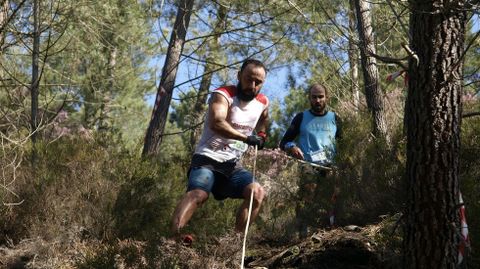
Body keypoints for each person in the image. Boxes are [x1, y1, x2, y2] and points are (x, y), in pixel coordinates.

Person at [171, 59, 269, 241]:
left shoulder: (262, 102)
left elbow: (263, 119)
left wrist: (262, 136)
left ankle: (233, 243)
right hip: (207, 159)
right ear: (239, 76)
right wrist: (246, 138)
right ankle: (174, 238)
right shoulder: (223, 95)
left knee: (257, 193)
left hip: (232, 166)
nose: (253, 85)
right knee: (198, 194)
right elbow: (217, 123)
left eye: (258, 82)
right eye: (249, 79)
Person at [279, 83, 342, 234]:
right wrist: (292, 147)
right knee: (307, 195)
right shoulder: (301, 117)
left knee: (330, 199)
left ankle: (328, 232)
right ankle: (302, 233)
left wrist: (345, 161)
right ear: (309, 98)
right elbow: (284, 142)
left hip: (330, 166)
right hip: (307, 164)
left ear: (327, 98)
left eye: (321, 97)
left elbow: (343, 143)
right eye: (314, 97)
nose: (317, 100)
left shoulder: (335, 118)